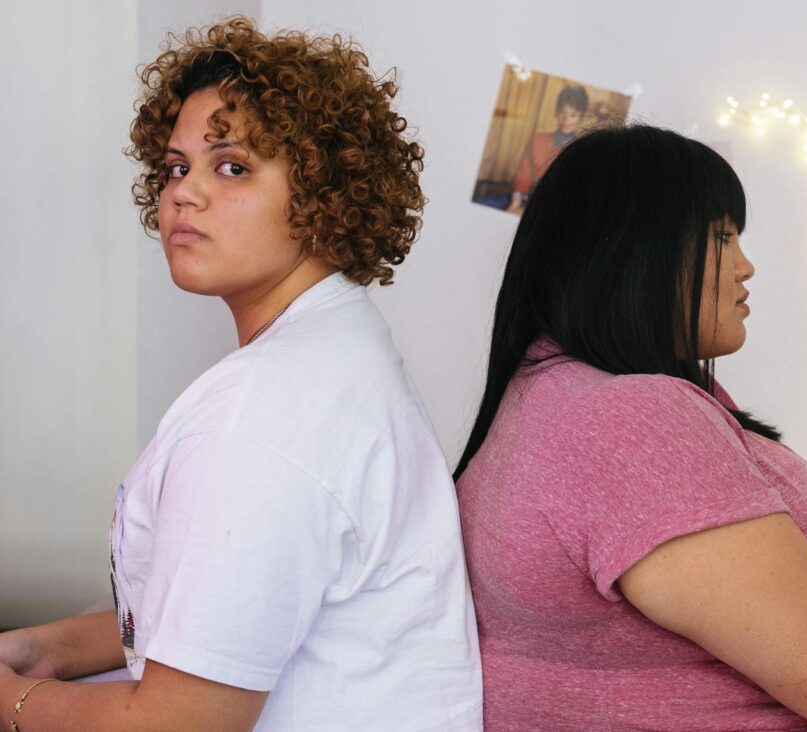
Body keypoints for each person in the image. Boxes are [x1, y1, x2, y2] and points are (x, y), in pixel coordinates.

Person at [454, 124, 807, 730]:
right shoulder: (624, 422)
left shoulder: (562, 389)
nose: (746, 266)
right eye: (722, 238)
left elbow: (804, 552)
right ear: (637, 250)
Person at [0, 17, 481, 731]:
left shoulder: (267, 412)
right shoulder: (334, 350)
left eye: (231, 166)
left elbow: (175, 723)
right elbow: (230, 610)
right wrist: (45, 651)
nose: (183, 194)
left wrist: (14, 702)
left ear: (324, 191)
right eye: (174, 167)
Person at [505, 84, 588, 215]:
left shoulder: (584, 150)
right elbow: (523, 174)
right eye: (562, 113)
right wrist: (515, 204)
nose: (566, 119)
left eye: (573, 115)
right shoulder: (537, 139)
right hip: (527, 200)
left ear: (581, 118)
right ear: (556, 112)